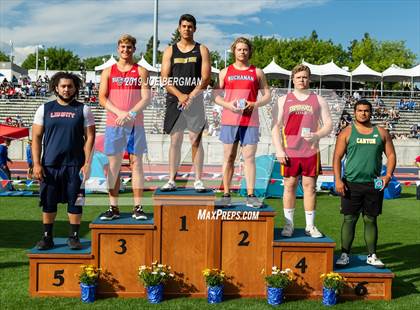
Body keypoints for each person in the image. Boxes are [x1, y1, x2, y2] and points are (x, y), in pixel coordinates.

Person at [32, 72, 95, 250]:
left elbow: (90, 137)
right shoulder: (44, 109)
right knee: (48, 202)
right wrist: (37, 164)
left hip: (75, 165)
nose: (67, 89)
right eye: (63, 86)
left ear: (75, 88)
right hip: (50, 165)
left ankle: (74, 236)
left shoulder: (83, 109)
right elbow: (36, 138)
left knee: (76, 201)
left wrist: (87, 162)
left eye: (70, 86)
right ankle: (47, 237)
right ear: (56, 88)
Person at [333, 99, 396, 268]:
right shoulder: (346, 133)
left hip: (373, 183)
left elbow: (390, 155)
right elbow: (337, 157)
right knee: (349, 219)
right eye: (359, 110)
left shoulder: (381, 132)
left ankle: (372, 255)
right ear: (355, 112)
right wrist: (338, 179)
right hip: (351, 183)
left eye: (366, 110)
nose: (363, 113)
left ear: (371, 112)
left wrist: (388, 175)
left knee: (370, 219)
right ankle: (345, 254)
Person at [272, 64, 332, 238]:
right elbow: (275, 127)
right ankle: (288, 225)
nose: (302, 80)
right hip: (289, 150)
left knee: (310, 187)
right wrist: (278, 150)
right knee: (289, 186)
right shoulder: (283, 100)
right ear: (293, 79)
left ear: (309, 79)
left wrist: (317, 135)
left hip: (310, 151)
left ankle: (310, 226)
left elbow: (328, 124)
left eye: (305, 77)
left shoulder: (319, 100)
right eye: (298, 77)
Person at [98, 34, 150, 221]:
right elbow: (102, 97)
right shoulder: (108, 71)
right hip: (114, 124)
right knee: (114, 166)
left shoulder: (141, 71)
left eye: (129, 47)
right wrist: (119, 113)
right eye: (123, 47)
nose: (126, 50)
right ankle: (113, 207)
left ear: (134, 49)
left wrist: (131, 114)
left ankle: (138, 207)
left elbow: (146, 97)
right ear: (118, 48)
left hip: (135, 124)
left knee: (137, 164)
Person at [214, 37, 270, 208]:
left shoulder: (257, 72)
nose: (242, 52)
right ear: (234, 51)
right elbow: (215, 96)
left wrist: (254, 104)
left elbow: (268, 95)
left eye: (245, 49)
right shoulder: (225, 72)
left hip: (250, 122)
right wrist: (228, 104)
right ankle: (226, 194)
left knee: (249, 159)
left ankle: (251, 195)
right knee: (229, 157)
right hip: (230, 121)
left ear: (249, 51)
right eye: (239, 49)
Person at [160, 14, 211, 192]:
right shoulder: (170, 50)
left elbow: (205, 78)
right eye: (184, 26)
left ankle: (198, 180)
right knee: (175, 140)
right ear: (179, 28)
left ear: (194, 29)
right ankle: (172, 180)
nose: (187, 29)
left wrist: (191, 95)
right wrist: (181, 96)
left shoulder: (202, 49)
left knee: (195, 140)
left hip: (194, 101)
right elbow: (164, 79)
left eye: (190, 26)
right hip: (175, 100)